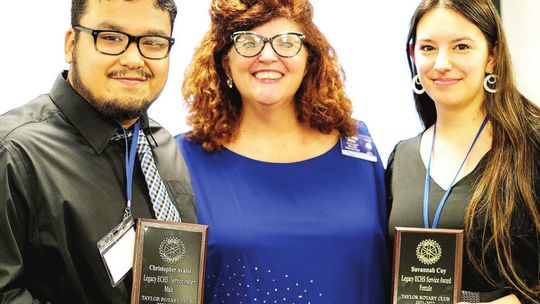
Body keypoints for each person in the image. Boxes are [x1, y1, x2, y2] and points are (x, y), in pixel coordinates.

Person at [176, 0, 389, 303]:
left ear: (309, 59)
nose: (267, 56)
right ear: (224, 62)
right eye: (248, 42)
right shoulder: (184, 159)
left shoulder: (357, 145)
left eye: (287, 43)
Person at [0, 0, 196, 303]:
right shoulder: (13, 152)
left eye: (153, 42)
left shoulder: (163, 145)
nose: (133, 59)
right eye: (111, 38)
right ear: (71, 44)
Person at [386, 0, 540, 303]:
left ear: (491, 56)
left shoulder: (532, 144)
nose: (442, 63)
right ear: (412, 55)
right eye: (428, 48)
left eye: (461, 47)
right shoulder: (401, 158)